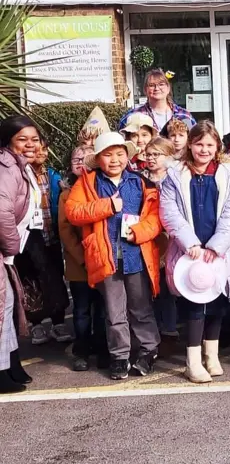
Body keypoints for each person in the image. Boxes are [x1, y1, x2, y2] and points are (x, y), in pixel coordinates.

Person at [65, 132, 162, 380]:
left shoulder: (140, 182)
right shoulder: (87, 183)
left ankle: (148, 351)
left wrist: (139, 232)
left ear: (127, 156)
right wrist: (107, 206)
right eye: (108, 155)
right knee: (114, 311)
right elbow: (73, 212)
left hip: (136, 257)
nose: (115, 160)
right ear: (98, 159)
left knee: (141, 308)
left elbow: (155, 219)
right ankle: (119, 356)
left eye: (120, 154)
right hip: (105, 258)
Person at [160, 121, 230, 383]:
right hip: (190, 251)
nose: (204, 150)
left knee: (217, 301)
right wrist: (190, 244)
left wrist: (217, 246)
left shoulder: (228, 174)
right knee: (195, 305)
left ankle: (212, 355)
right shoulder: (175, 175)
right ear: (190, 145)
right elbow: (170, 212)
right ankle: (193, 361)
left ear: (217, 146)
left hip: (217, 251)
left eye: (209, 145)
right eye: (199, 144)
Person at [0, 115, 41, 393]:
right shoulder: (6, 168)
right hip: (4, 247)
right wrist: (12, 246)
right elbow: (2, 211)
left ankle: (11, 365)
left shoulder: (18, 166)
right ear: (8, 141)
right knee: (3, 308)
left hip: (6, 248)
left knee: (9, 304)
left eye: (34, 139)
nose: (30, 144)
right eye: (22, 139)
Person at [59, 145, 109, 371]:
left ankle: (102, 349)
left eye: (85, 159)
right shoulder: (66, 195)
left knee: (103, 309)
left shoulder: (103, 191)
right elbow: (66, 231)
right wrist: (83, 258)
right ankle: (81, 351)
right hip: (79, 264)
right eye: (76, 159)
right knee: (81, 310)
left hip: (102, 261)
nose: (80, 163)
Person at [26, 135, 72, 344]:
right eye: (37, 149)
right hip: (28, 240)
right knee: (31, 282)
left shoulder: (53, 176)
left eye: (45, 149)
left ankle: (58, 323)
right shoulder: (21, 175)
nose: (41, 153)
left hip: (51, 237)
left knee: (55, 279)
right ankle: (36, 324)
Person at [141, 138, 178, 339]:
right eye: (149, 154)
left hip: (170, 238)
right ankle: (151, 329)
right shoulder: (140, 179)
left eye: (157, 154)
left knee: (167, 286)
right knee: (149, 288)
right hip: (148, 238)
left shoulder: (175, 179)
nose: (151, 158)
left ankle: (170, 327)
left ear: (169, 156)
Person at [121, 68, 196, 133]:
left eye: (161, 84)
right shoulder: (134, 115)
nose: (156, 88)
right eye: (151, 85)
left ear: (168, 88)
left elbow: (194, 139)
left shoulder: (184, 115)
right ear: (145, 90)